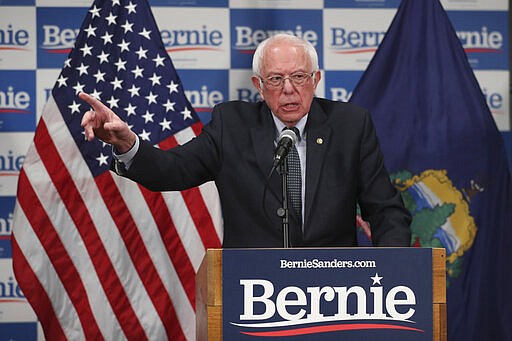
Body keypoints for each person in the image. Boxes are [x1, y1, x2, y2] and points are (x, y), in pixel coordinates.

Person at [79, 33, 411, 248]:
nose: (289, 89)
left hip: (336, 291)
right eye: (276, 79)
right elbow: (172, 169)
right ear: (258, 85)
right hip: (253, 292)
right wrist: (126, 143)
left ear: (316, 79)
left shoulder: (351, 126)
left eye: (298, 77)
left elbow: (385, 210)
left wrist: (392, 269)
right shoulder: (232, 125)